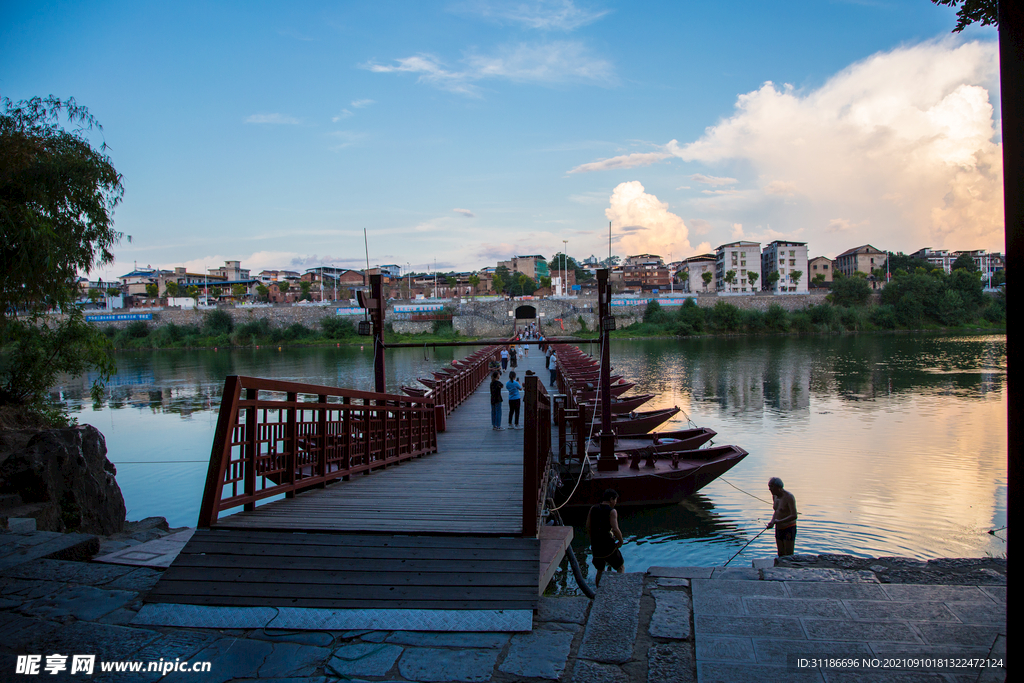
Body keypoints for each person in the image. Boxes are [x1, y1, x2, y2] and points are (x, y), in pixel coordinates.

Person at [586, 489, 624, 586]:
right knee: (620, 567)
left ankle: (598, 592)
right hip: (608, 545)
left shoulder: (593, 508)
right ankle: (620, 589)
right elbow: (615, 529)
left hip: (596, 545)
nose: (615, 503)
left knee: (600, 570)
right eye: (615, 500)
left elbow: (588, 527)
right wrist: (621, 541)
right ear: (611, 499)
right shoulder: (612, 511)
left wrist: (592, 541)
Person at [766, 477, 798, 556]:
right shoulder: (775, 496)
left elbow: (794, 515)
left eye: (771, 486)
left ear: (778, 487)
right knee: (780, 553)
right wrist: (772, 522)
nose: (769, 489)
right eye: (769, 486)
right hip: (779, 528)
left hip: (789, 527)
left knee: (789, 554)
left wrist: (779, 521)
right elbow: (776, 511)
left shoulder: (789, 497)